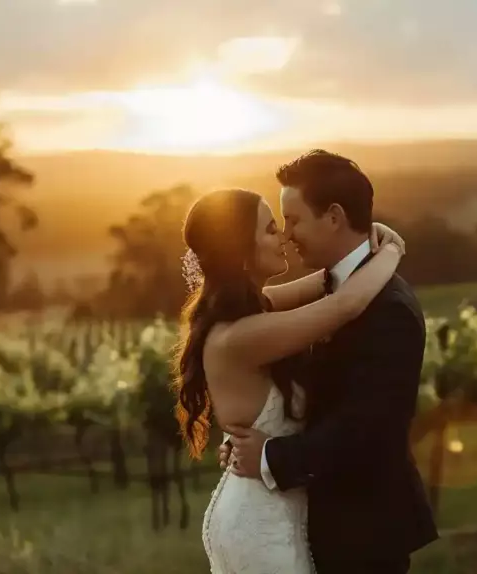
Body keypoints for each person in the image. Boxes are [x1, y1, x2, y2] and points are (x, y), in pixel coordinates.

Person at [214, 150, 438, 573]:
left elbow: (368, 429)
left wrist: (270, 455)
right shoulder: (333, 291)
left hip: (363, 532)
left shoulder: (388, 309)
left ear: (334, 217)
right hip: (315, 524)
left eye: (294, 219)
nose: (287, 233)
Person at [174, 183, 408, 574]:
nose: (282, 235)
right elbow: (345, 304)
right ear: (240, 251)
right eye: (269, 229)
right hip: (260, 523)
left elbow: (325, 283)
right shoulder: (244, 335)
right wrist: (394, 250)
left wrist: (361, 250)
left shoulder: (250, 312)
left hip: (263, 508)